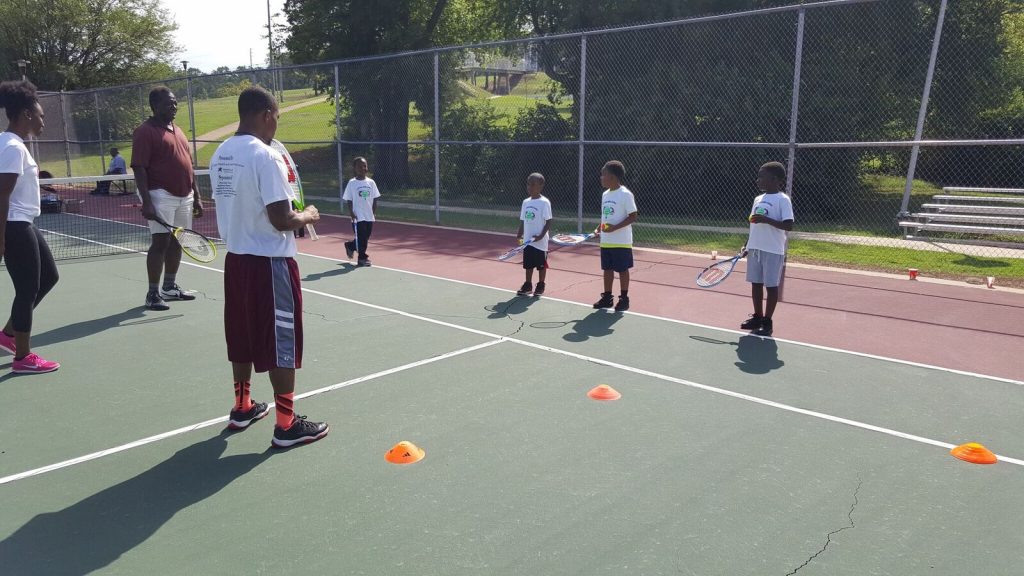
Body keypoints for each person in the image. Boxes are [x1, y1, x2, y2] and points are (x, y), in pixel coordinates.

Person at [210, 86, 328, 448]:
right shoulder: (265, 157)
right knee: (282, 340)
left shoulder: (220, 154)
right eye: (276, 117)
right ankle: (286, 425)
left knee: (242, 334)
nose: (276, 124)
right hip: (271, 264)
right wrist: (307, 215)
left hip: (237, 262)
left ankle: (243, 405)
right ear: (265, 114)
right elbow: (281, 218)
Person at [0, 80, 60, 373]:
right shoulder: (12, 147)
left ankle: (8, 334)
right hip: (14, 225)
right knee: (27, 290)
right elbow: (2, 194)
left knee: (48, 276)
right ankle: (23, 358)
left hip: (23, 222)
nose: (42, 121)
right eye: (40, 115)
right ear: (25, 114)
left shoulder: (10, 144)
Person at [131, 87, 203, 311]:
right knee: (160, 242)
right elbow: (139, 168)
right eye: (168, 103)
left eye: (174, 102)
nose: (173, 106)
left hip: (185, 196)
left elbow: (188, 166)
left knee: (177, 240)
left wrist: (197, 196)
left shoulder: (178, 130)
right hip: (160, 195)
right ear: (154, 106)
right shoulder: (145, 131)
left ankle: (169, 288)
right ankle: (153, 293)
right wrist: (147, 201)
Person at [741, 161, 794, 337]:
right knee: (756, 283)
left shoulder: (782, 200)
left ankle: (767, 322)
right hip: (755, 249)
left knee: (771, 286)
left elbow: (789, 225)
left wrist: (767, 220)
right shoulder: (758, 199)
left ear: (774, 179)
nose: (758, 180)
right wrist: (748, 245)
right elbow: (753, 225)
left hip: (773, 250)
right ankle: (757, 316)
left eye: (761, 176)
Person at [592, 160, 638, 312]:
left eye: (603, 175)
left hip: (621, 242)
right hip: (606, 242)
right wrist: (600, 227)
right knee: (607, 270)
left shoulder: (625, 194)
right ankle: (607, 297)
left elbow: (633, 216)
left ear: (612, 177)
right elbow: (606, 217)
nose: (601, 177)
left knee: (622, 270)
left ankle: (624, 299)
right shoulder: (605, 194)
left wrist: (615, 228)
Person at [515, 172, 552, 297]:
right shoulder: (525, 202)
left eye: (533, 185)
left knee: (541, 266)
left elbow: (548, 221)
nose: (530, 187)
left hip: (540, 243)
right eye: (528, 184)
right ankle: (528, 285)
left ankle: (540, 285)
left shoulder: (544, 202)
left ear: (541, 186)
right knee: (528, 265)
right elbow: (523, 220)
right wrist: (519, 234)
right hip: (527, 241)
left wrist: (541, 236)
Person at [342, 156, 380, 266]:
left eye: (364, 166)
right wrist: (351, 213)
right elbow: (349, 199)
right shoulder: (352, 183)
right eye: (359, 166)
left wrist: (373, 211)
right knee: (362, 237)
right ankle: (362, 258)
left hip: (369, 215)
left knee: (366, 236)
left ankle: (351, 246)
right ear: (355, 168)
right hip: (358, 216)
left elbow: (375, 198)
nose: (362, 168)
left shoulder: (371, 182)